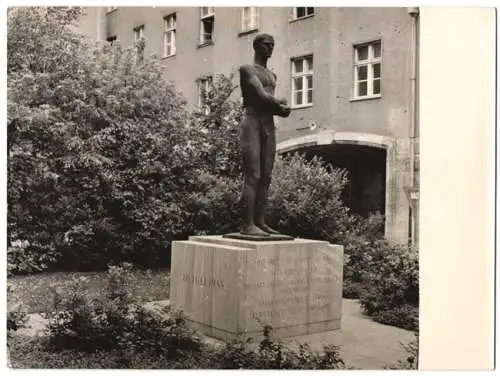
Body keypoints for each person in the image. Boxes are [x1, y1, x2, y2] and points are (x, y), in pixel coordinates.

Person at [238, 33, 291, 236]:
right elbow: (260, 95)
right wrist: (280, 104)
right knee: (254, 174)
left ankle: (260, 222)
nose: (271, 49)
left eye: (273, 45)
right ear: (257, 46)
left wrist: (282, 111)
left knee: (266, 176)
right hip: (252, 123)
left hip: (267, 124)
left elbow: (268, 102)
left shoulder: (272, 76)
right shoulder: (247, 70)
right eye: (267, 45)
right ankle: (248, 224)